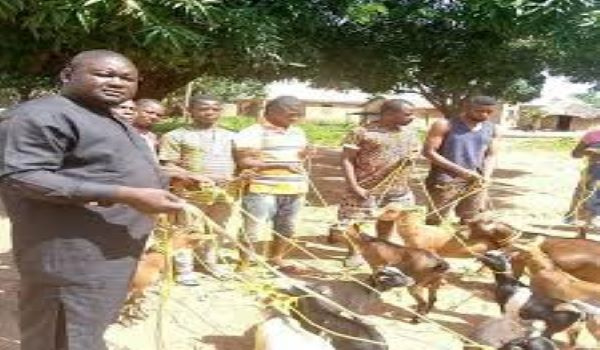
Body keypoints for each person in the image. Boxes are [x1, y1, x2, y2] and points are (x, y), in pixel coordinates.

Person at [0, 50, 185, 350]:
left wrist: (166, 178)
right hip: (70, 257)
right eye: (104, 74)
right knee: (64, 333)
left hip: (108, 252)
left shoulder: (108, 117)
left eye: (127, 78)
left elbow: (106, 168)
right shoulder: (40, 115)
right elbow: (22, 177)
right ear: (66, 74)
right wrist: (127, 195)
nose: (117, 82)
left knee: (87, 330)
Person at [333, 99, 420, 267]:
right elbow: (346, 160)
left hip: (399, 189)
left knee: (388, 220)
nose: (412, 117)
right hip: (365, 188)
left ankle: (381, 251)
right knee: (354, 222)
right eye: (408, 114)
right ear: (389, 114)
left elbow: (416, 150)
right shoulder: (361, 132)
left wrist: (413, 157)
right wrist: (354, 186)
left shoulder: (411, 132)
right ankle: (355, 252)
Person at [159, 94, 237, 282]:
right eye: (203, 108)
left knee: (217, 230)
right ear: (190, 111)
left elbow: (240, 161)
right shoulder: (176, 135)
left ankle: (210, 264)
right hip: (190, 193)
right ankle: (185, 270)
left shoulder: (232, 136)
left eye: (215, 109)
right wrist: (193, 176)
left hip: (223, 193)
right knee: (187, 229)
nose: (210, 112)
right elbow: (167, 165)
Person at [234, 96, 311, 274]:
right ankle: (243, 265)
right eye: (290, 108)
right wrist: (280, 165)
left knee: (286, 227)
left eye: (299, 108)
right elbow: (244, 161)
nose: (296, 112)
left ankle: (276, 258)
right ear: (271, 111)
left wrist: (305, 154)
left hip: (295, 188)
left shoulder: (298, 132)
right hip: (262, 188)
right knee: (253, 227)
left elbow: (297, 159)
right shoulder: (252, 132)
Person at [423, 95, 500, 225]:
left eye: (489, 112)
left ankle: (462, 244)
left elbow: (491, 155)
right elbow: (429, 152)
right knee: (435, 220)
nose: (485, 115)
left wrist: (486, 176)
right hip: (445, 180)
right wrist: (461, 171)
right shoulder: (444, 124)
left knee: (471, 221)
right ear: (467, 108)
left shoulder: (492, 128)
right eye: (480, 111)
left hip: (476, 180)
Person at [569, 129, 600, 235]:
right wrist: (588, 152)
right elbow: (575, 154)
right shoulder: (592, 135)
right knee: (586, 200)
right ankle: (582, 231)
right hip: (593, 173)